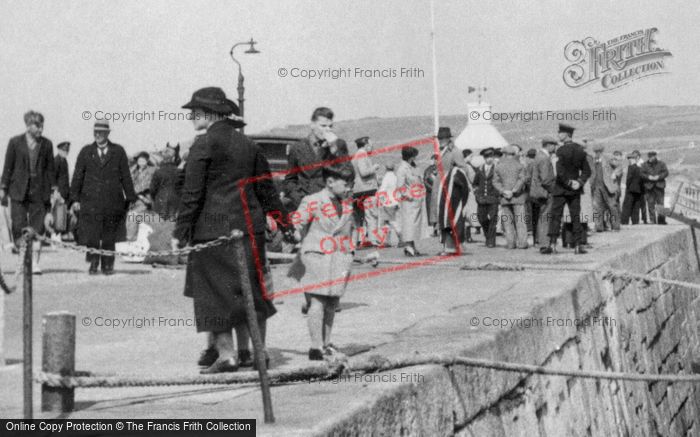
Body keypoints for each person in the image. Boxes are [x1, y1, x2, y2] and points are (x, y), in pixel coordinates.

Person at [173, 87, 290, 373]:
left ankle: (227, 356)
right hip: (249, 229)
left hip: (212, 233)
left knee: (214, 295)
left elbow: (192, 194)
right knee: (252, 290)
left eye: (195, 112)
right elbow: (267, 190)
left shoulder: (202, 145)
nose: (191, 117)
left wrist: (180, 233)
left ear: (209, 114)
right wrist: (285, 224)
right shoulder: (249, 145)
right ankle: (258, 354)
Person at [291, 165, 355, 360]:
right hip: (316, 257)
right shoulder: (313, 200)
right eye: (346, 184)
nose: (349, 188)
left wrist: (352, 252)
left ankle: (326, 343)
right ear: (330, 182)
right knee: (317, 302)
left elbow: (349, 231)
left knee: (331, 303)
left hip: (338, 259)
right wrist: (295, 232)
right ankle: (315, 347)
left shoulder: (346, 204)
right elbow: (298, 221)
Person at [71, 120, 136, 274]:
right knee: (92, 234)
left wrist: (131, 197)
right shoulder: (85, 151)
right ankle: (93, 262)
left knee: (109, 234)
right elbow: (77, 177)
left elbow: (125, 176)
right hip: (90, 201)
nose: (97, 135)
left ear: (107, 133)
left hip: (112, 201)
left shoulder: (118, 151)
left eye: (101, 132)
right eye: (95, 132)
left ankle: (108, 264)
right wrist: (74, 199)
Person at [1, 111, 58, 273]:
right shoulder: (15, 143)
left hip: (39, 191)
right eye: (37, 126)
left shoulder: (47, 144)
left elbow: (50, 170)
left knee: (38, 227)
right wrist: (3, 188)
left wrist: (54, 189)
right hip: (18, 190)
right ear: (28, 126)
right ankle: (22, 262)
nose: (41, 129)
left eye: (42, 126)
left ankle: (34, 263)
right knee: (19, 226)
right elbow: (8, 167)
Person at [284, 107, 348, 210]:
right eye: (323, 126)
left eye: (330, 126)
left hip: (331, 205)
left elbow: (348, 174)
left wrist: (334, 150)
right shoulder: (297, 147)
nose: (328, 129)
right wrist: (301, 201)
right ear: (312, 125)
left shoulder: (339, 145)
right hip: (307, 204)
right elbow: (290, 180)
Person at [541, 123, 591, 255]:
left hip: (561, 188)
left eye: (560, 133)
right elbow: (587, 171)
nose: (558, 135)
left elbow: (560, 172)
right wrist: (579, 182)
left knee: (556, 216)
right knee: (576, 216)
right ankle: (578, 245)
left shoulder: (560, 151)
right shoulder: (580, 151)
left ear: (566, 135)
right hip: (575, 190)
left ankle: (552, 245)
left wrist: (568, 182)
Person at [493, 145, 528, 249]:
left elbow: (495, 181)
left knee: (508, 222)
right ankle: (522, 243)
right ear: (514, 154)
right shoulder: (520, 166)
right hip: (518, 197)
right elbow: (522, 180)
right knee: (520, 221)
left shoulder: (498, 166)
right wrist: (514, 191)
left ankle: (510, 243)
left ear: (504, 154)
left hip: (504, 198)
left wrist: (503, 191)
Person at [437, 149, 470, 255]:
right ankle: (455, 247)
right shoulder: (460, 173)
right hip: (455, 204)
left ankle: (449, 247)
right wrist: (463, 203)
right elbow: (465, 190)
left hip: (445, 204)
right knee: (455, 223)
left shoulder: (447, 174)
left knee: (447, 224)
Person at [351, 136, 380, 246]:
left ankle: (355, 241)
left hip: (358, 190)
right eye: (370, 145)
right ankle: (373, 240)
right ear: (366, 145)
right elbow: (364, 172)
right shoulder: (362, 155)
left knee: (358, 218)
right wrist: (374, 168)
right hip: (367, 190)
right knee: (372, 215)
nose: (371, 147)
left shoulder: (356, 155)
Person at [396, 146, 424, 256]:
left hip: (416, 201)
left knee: (414, 225)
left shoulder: (412, 167)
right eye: (414, 157)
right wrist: (409, 196)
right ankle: (408, 246)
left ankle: (412, 246)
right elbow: (400, 186)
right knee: (409, 224)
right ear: (410, 157)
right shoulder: (402, 169)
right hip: (409, 201)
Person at [590, 144, 622, 232]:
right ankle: (599, 227)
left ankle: (615, 226)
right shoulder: (593, 160)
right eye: (595, 152)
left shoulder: (608, 158)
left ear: (601, 152)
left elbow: (619, 166)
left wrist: (615, 174)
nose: (597, 154)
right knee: (597, 207)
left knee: (612, 205)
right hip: (596, 186)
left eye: (598, 152)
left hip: (607, 186)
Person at [473, 148, 499, 247]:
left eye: (491, 157)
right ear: (484, 158)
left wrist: (497, 194)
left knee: (493, 219)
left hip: (493, 198)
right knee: (482, 218)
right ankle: (488, 236)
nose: (489, 159)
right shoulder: (479, 169)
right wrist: (477, 194)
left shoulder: (497, 168)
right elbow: (475, 184)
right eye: (487, 157)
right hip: (481, 199)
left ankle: (491, 241)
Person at [127, 151, 155, 240]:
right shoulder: (133, 170)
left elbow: (146, 185)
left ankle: (132, 238)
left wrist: (136, 193)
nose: (141, 162)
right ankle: (130, 238)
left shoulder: (151, 170)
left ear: (147, 161)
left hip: (144, 199)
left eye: (143, 160)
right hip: (133, 199)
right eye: (139, 160)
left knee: (135, 217)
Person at [149, 143, 182, 220]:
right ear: (174, 158)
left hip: (160, 204)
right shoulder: (180, 172)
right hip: (177, 205)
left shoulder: (157, 172)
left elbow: (152, 190)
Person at [640, 151, 668, 224]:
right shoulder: (644, 165)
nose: (651, 158)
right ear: (648, 157)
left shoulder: (662, 164)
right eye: (650, 157)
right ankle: (652, 220)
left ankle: (662, 220)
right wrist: (648, 177)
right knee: (650, 204)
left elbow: (666, 172)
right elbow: (641, 174)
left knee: (661, 204)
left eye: (653, 156)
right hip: (649, 187)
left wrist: (658, 177)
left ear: (655, 156)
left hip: (659, 186)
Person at [378, 162, 401, 246]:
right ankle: (387, 241)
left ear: (385, 168)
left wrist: (380, 200)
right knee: (388, 222)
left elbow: (382, 190)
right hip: (395, 201)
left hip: (388, 203)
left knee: (390, 222)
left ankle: (400, 237)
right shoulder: (395, 177)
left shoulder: (386, 178)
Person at [52, 141, 71, 240]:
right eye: (64, 150)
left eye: (67, 150)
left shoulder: (65, 161)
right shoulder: (56, 161)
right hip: (59, 193)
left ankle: (58, 235)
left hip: (64, 193)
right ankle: (55, 236)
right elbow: (53, 177)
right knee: (57, 215)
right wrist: (56, 192)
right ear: (59, 150)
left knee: (62, 215)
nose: (66, 152)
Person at [621, 151, 644, 224]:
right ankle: (635, 221)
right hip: (638, 190)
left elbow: (629, 179)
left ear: (632, 159)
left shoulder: (630, 168)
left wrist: (627, 186)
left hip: (630, 190)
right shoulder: (639, 168)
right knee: (636, 206)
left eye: (629, 159)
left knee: (627, 206)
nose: (629, 161)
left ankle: (624, 221)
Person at [423, 154, 439, 232]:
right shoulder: (427, 170)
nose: (434, 161)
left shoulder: (441, 169)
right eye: (433, 159)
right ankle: (434, 229)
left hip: (439, 192)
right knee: (431, 211)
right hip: (430, 193)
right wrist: (432, 189)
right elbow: (425, 181)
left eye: (435, 159)